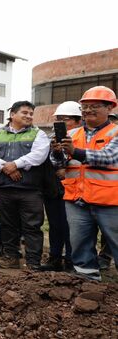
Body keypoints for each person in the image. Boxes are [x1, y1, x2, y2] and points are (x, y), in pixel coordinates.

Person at [52, 86, 118, 281]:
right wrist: (57, 152)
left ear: (109, 108)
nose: (88, 110)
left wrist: (75, 151)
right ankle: (87, 281)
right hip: (76, 199)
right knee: (80, 243)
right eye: (85, 107)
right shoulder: (72, 134)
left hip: (109, 200)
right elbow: (58, 163)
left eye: (94, 106)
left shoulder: (115, 132)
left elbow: (109, 158)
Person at [0, 101, 50, 270]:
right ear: (12, 114)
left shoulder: (39, 134)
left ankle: (33, 263)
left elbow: (39, 156)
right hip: (4, 189)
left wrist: (16, 164)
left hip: (30, 190)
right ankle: (10, 257)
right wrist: (7, 168)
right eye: (25, 113)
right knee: (8, 225)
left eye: (31, 113)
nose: (29, 116)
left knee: (32, 226)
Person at [38, 101, 80, 271]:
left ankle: (71, 261)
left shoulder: (82, 138)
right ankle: (55, 259)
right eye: (59, 119)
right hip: (53, 189)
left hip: (74, 190)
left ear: (78, 120)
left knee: (71, 227)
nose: (61, 123)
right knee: (55, 226)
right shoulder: (50, 139)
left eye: (66, 119)